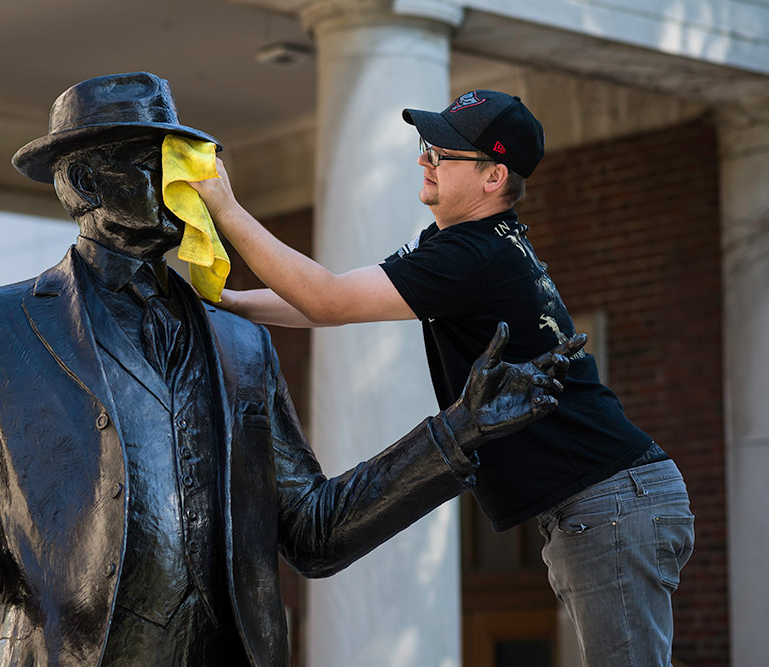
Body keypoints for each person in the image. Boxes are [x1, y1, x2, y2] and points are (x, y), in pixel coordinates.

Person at [0, 74, 579, 667]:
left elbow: (312, 530)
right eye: (151, 161)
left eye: (182, 156)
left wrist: (455, 434)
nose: (183, 177)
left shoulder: (239, 339)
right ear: (83, 182)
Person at [189, 89, 694, 666]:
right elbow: (326, 303)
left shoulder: (471, 257)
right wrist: (227, 302)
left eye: (444, 153)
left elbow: (325, 299)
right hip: (607, 500)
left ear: (492, 176)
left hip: (609, 502)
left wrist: (226, 210)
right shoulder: (466, 247)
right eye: (427, 146)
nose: (424, 159)